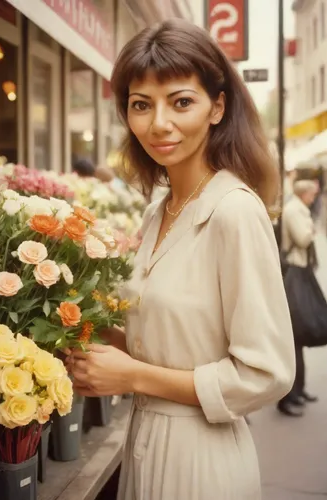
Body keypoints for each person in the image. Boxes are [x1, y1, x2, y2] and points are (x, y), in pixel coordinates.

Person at [68, 19, 295, 500]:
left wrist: (131, 376)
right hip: (143, 442)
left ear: (218, 107)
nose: (159, 124)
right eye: (141, 105)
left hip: (204, 459)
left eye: (181, 101)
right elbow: (161, 337)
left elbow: (266, 373)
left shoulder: (233, 211)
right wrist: (67, 316)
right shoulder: (158, 210)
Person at [277, 180, 318, 417]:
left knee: (298, 337)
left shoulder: (298, 210)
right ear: (305, 193)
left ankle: (298, 390)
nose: (314, 197)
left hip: (301, 272)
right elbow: (303, 238)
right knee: (293, 336)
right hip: (294, 276)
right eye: (313, 193)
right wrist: (311, 229)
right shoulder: (294, 211)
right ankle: (287, 396)